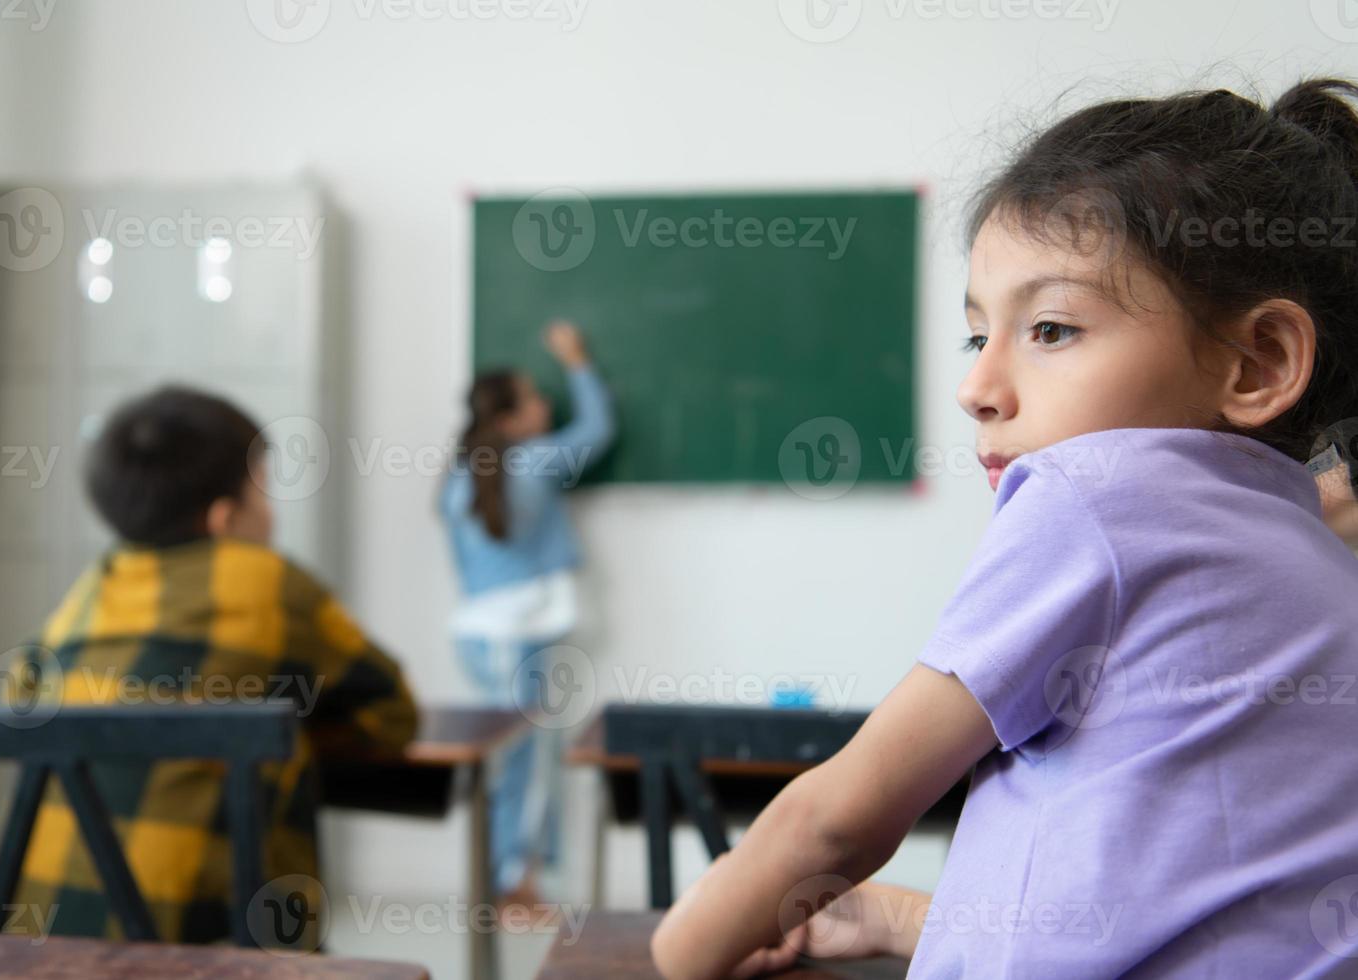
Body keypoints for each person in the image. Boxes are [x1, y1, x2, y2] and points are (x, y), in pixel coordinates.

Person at [652, 78, 1358, 978]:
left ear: (1258, 361)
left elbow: (836, 817)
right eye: (977, 337)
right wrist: (895, 915)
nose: (977, 387)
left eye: (1053, 328)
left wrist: (674, 955)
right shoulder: (1319, 556)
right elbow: (1168, 901)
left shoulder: (1097, 492)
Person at [5, 385, 418, 948]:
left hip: (40, 951)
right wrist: (283, 727)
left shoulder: (88, 592)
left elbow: (18, 699)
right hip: (210, 957)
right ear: (226, 518)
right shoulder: (268, 583)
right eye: (265, 496)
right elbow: (393, 716)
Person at [439, 320, 614, 915]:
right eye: (534, 398)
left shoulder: (459, 477)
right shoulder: (537, 462)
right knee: (529, 761)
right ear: (511, 419)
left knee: (507, 760)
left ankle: (503, 880)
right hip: (521, 637)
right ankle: (513, 883)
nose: (545, 404)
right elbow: (598, 429)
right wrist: (577, 360)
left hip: (478, 635)